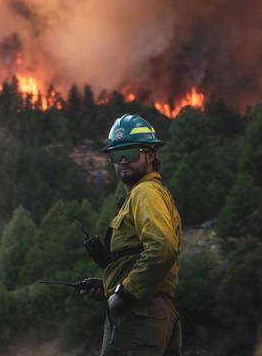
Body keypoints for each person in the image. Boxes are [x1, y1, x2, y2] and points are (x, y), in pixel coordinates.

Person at [80, 114, 183, 356]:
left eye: (132, 153)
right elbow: (137, 257)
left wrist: (123, 293)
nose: (123, 160)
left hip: (140, 315)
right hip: (155, 314)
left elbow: (162, 248)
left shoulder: (145, 192)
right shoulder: (147, 194)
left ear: (150, 155)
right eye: (117, 155)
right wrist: (108, 286)